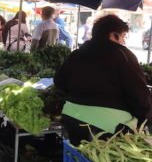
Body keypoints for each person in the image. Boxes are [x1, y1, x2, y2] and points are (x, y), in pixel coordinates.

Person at [54, 15, 152, 146]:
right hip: (109, 126)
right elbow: (140, 96)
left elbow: (59, 82)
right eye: (123, 37)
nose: (123, 42)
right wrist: (145, 119)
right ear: (113, 35)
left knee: (82, 157)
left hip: (71, 117)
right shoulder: (123, 55)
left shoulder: (76, 54)